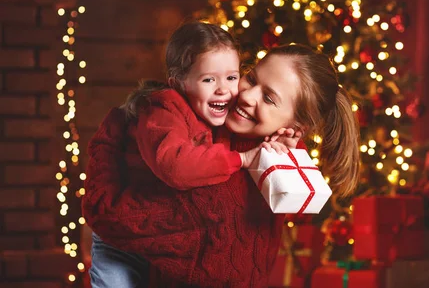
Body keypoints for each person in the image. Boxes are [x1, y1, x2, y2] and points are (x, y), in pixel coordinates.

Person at [82, 43, 360, 287]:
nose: (247, 96)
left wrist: (111, 146)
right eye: (251, 79)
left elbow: (113, 216)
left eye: (269, 98)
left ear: (296, 126)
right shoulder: (204, 115)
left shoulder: (266, 170)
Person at [87, 21, 293, 288]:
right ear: (179, 83)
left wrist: (282, 142)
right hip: (119, 243)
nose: (223, 89)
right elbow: (176, 167)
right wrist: (241, 160)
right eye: (209, 79)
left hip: (156, 244)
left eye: (231, 77)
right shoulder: (162, 112)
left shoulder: (217, 111)